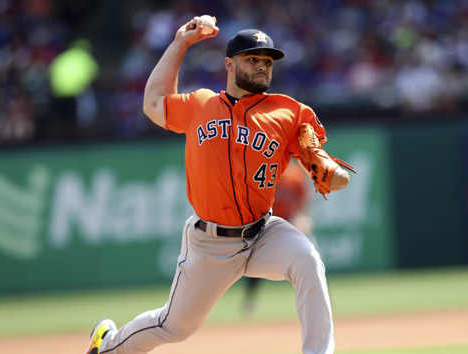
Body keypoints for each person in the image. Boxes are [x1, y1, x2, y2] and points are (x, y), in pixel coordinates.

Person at [85, 15, 350, 354]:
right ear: (229, 63)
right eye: (252, 58)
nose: (261, 66)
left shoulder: (288, 113)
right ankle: (107, 345)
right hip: (211, 244)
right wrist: (182, 42)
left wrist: (329, 170)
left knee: (307, 260)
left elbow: (321, 163)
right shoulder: (201, 104)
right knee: (173, 327)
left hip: (263, 231)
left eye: (266, 61)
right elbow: (152, 103)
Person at [241, 159, 314, 317]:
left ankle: (321, 296)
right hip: (268, 224)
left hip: (291, 224)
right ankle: (249, 300)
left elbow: (303, 199)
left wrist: (303, 216)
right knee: (255, 263)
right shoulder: (262, 170)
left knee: (313, 257)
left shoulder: (294, 174)